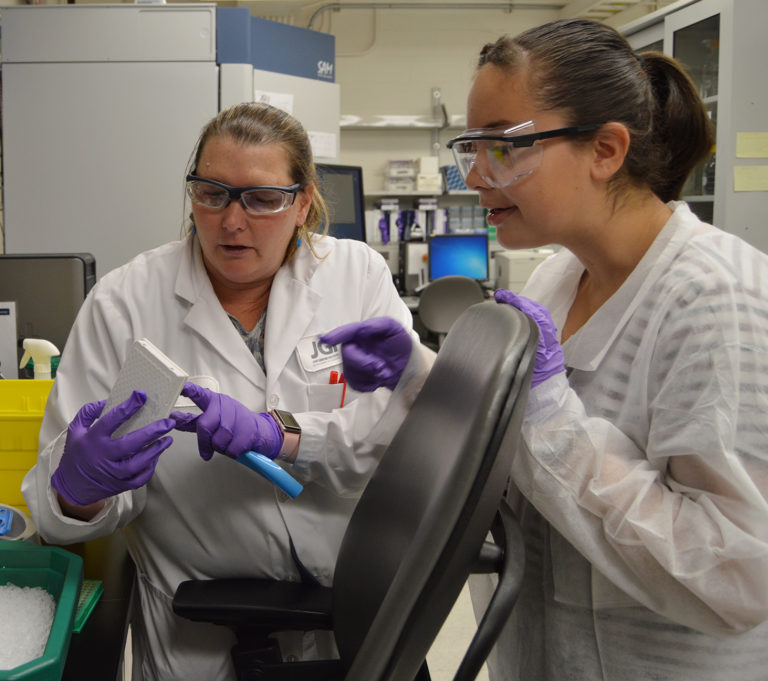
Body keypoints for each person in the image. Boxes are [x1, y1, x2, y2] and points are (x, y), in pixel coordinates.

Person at [325, 17, 768, 681]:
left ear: (606, 150)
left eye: (502, 147)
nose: (473, 177)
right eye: (469, 148)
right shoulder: (560, 275)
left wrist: (549, 415)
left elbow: (737, 574)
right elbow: (522, 454)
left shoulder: (714, 298)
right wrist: (423, 376)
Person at [21, 101, 433, 680]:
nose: (232, 221)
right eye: (212, 194)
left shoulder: (356, 275)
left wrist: (284, 434)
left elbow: (404, 439)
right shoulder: (125, 302)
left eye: (263, 199)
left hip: (357, 619)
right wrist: (80, 488)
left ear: (303, 202)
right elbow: (59, 510)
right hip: (202, 637)